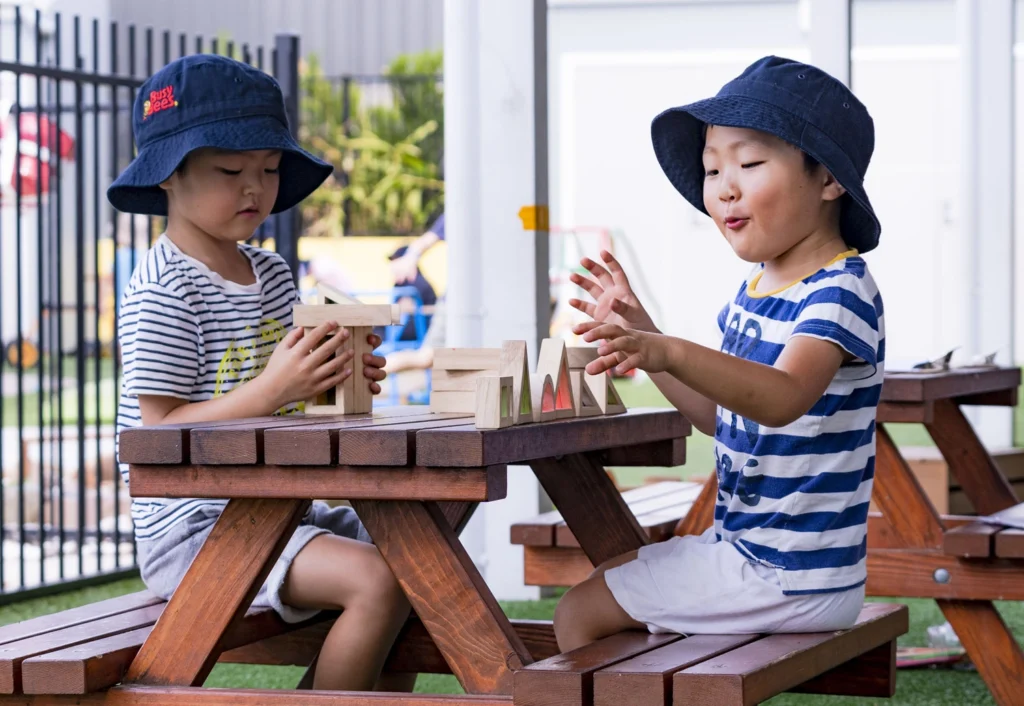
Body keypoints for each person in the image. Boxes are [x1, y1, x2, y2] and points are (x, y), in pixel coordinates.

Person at [559, 56, 885, 651]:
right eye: (712, 170)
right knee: (607, 580)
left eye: (751, 163)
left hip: (790, 571)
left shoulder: (839, 291)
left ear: (829, 180)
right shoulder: (758, 289)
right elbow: (724, 417)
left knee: (579, 613)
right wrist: (646, 341)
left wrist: (671, 350)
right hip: (760, 557)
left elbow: (781, 398)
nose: (725, 188)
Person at [108, 55, 412, 692]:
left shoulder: (271, 274)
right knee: (378, 579)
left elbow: (289, 408)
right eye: (230, 171)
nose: (255, 189)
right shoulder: (164, 289)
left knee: (422, 559)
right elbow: (157, 432)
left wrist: (335, 378)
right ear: (167, 177)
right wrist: (275, 386)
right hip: (195, 529)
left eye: (270, 171)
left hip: (279, 509)